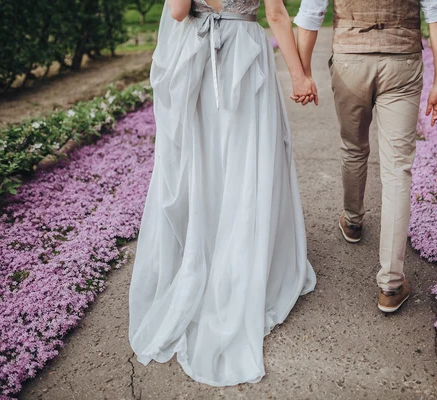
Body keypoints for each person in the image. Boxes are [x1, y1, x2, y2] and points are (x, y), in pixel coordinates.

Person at [128, 0, 317, 386]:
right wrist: (300, 76)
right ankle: (244, 257)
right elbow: (277, 14)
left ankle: (207, 248)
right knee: (247, 159)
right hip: (246, 50)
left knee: (208, 160)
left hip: (201, 53)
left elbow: (179, 12)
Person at [293, 0, 437, 313]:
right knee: (397, 170)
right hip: (402, 63)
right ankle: (391, 283)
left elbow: (310, 14)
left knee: (353, 148)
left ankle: (353, 221)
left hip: (351, 61)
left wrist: (305, 72)